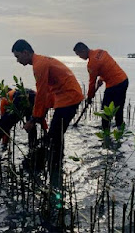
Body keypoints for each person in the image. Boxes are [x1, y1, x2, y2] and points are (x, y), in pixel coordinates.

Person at [12, 39, 84, 173]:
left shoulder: (39, 65)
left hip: (69, 98)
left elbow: (41, 94)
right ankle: (56, 163)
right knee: (56, 135)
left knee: (54, 136)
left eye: (18, 56)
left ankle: (55, 167)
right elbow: (48, 92)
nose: (17, 60)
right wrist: (40, 115)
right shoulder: (40, 61)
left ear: (25, 52)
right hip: (67, 97)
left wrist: (33, 119)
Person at [73, 42, 129, 130]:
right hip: (124, 80)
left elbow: (91, 83)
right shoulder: (101, 51)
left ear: (83, 51)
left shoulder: (91, 64)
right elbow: (108, 67)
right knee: (119, 108)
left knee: (105, 111)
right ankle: (119, 128)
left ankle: (105, 131)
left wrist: (89, 97)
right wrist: (101, 79)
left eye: (78, 54)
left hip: (114, 85)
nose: (79, 57)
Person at [0, 88, 43, 157]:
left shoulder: (5, 99)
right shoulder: (20, 90)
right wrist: (44, 128)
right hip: (34, 98)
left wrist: (5, 143)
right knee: (32, 126)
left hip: (19, 99)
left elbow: (4, 128)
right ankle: (33, 147)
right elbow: (39, 113)